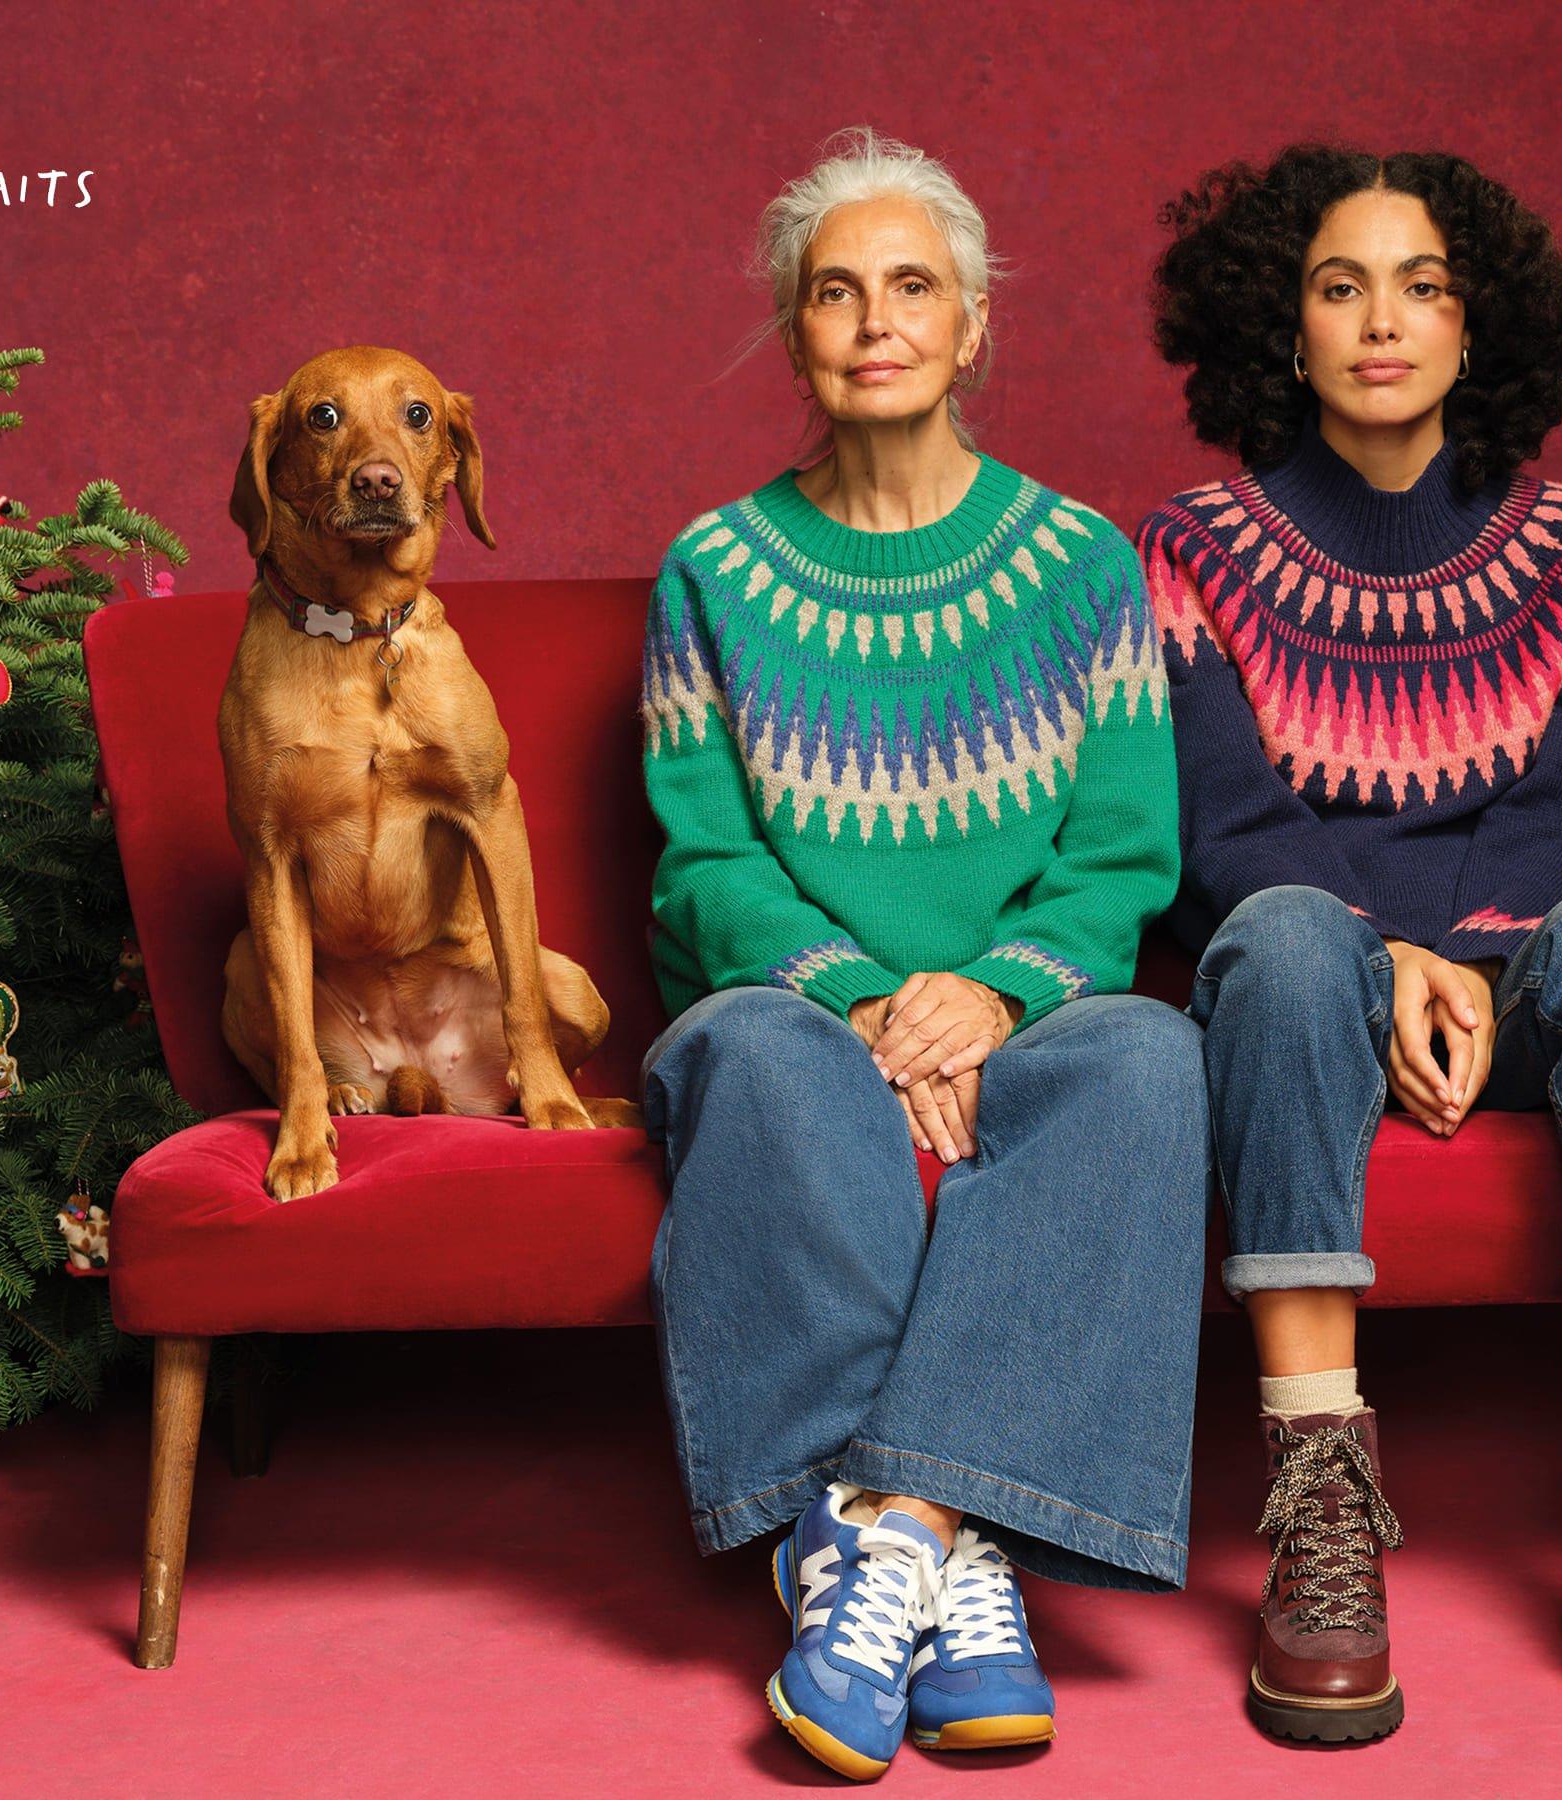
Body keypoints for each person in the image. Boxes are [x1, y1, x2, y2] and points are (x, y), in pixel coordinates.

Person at [1138, 144, 1562, 1745]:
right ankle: (1320, 1503)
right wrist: (1373, 953)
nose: (1382, 321)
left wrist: (1465, 965)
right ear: (1288, 330)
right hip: (1298, 986)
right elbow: (1221, 816)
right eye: (1341, 288)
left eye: (1424, 287)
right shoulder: (1191, 547)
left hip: (1520, 983)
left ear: (1480, 331)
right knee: (1276, 936)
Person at [638, 127, 1205, 1781]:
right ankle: (951, 1570)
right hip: (808, 1014)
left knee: (1155, 1056)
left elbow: (1118, 862)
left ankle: (892, 1527)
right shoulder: (714, 573)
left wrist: (995, 994)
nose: (877, 320)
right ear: (794, 330)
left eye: (914, 287)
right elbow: (706, 865)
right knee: (749, 1053)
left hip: (1022, 1014)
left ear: (972, 328)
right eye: (837, 292)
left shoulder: (1086, 569)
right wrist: (876, 1005)